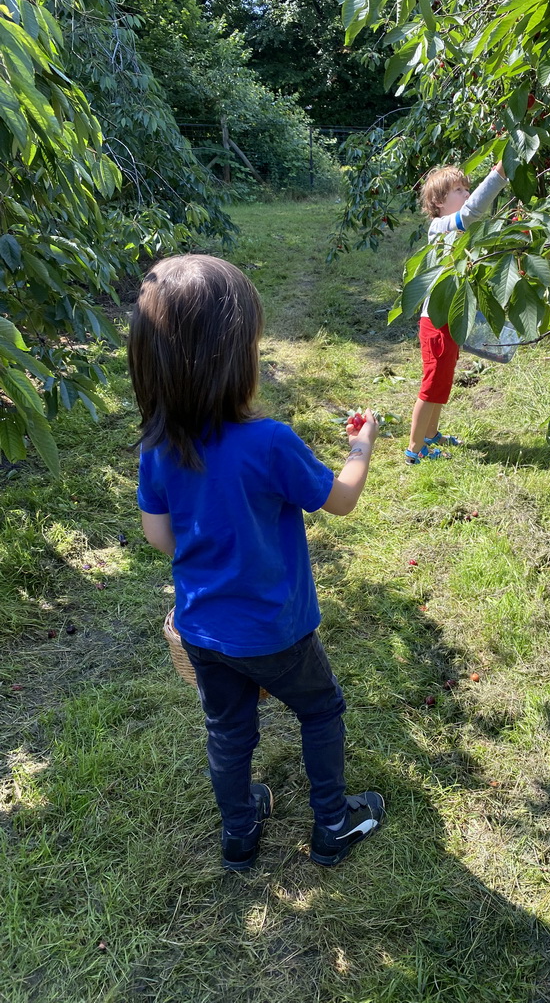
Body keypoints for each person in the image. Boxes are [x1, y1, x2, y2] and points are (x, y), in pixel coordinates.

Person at [127, 254, 384, 871]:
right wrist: (360, 446)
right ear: (235, 358)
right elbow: (342, 500)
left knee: (228, 728)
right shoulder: (270, 442)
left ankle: (239, 834)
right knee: (321, 707)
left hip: (201, 631)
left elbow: (159, 536)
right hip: (275, 630)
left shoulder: (157, 449)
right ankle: (332, 824)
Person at [405, 161, 508, 464]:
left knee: (443, 379)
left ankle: (430, 434)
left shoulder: (458, 230)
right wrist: (498, 176)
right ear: (437, 203)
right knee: (432, 382)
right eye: (458, 190)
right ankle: (414, 448)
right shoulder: (440, 227)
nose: (466, 194)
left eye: (466, 189)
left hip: (451, 320)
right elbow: (471, 213)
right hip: (436, 322)